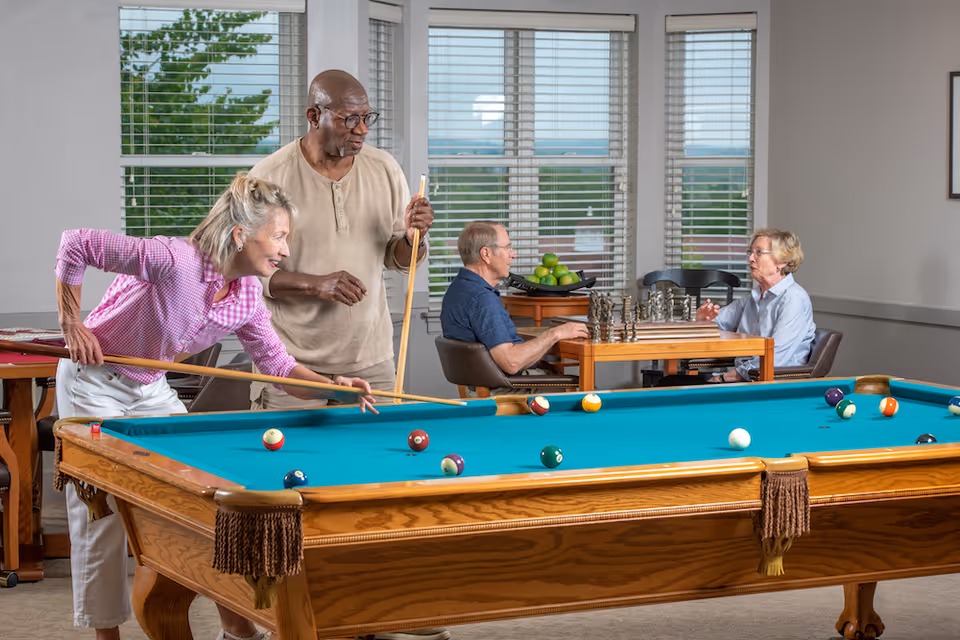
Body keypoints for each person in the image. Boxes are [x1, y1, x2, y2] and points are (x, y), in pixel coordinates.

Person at [54, 174, 376, 640]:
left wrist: (334, 388)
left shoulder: (246, 296)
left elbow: (279, 368)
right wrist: (71, 322)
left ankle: (237, 627)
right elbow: (76, 244)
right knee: (98, 508)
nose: (285, 250)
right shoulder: (175, 260)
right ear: (242, 234)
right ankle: (107, 636)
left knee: (201, 495)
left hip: (149, 386)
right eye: (280, 236)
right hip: (94, 381)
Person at [247, 69, 433, 411]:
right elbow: (248, 273)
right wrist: (315, 284)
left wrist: (413, 239)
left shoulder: (385, 169)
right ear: (314, 116)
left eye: (367, 117)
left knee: (380, 462)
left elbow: (400, 261)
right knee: (291, 464)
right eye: (350, 119)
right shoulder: (268, 177)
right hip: (292, 365)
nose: (362, 129)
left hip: (371, 362)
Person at [441, 221, 589, 389]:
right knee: (591, 392)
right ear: (486, 254)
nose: (514, 255)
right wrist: (555, 334)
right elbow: (511, 363)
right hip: (504, 391)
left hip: (481, 386)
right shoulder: (482, 299)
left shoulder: (458, 289)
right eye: (507, 248)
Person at [675, 227, 815, 384]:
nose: (751, 259)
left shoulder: (793, 299)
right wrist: (701, 320)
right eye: (750, 252)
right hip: (745, 380)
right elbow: (718, 322)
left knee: (672, 388)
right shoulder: (752, 299)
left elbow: (775, 358)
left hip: (772, 385)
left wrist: (723, 378)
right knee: (669, 383)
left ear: (782, 262)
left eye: (759, 253)